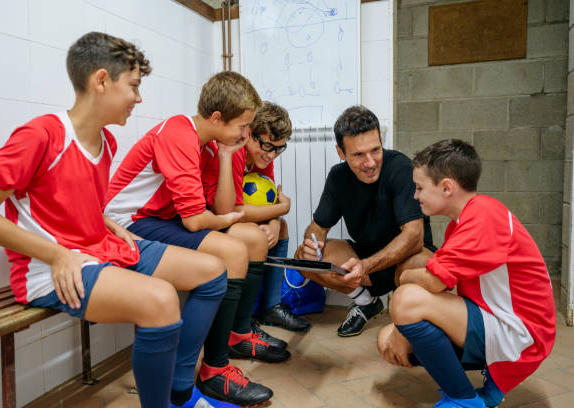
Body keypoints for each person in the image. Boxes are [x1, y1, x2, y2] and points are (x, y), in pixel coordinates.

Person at [0, 32, 229, 408]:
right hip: (47, 270)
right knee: (160, 300)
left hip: (99, 247)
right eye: (134, 86)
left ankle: (180, 390)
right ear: (101, 81)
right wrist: (56, 256)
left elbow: (66, 200)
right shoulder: (42, 135)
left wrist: (108, 223)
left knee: (212, 272)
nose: (139, 98)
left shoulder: (107, 141)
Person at [104, 72, 278, 407]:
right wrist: (226, 220)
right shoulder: (178, 133)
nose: (246, 134)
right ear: (216, 118)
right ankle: (193, 379)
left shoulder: (210, 146)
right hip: (126, 223)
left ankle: (212, 368)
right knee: (228, 252)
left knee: (238, 249)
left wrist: (227, 156)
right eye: (243, 126)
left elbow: (220, 208)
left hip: (157, 220)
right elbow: (196, 219)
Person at [377, 139, 556, 408]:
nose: (415, 195)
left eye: (420, 187)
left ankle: (465, 401)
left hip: (521, 333)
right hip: (496, 320)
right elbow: (439, 284)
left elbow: (433, 283)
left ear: (447, 187)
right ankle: (493, 382)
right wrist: (403, 328)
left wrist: (402, 279)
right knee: (387, 337)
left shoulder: (484, 215)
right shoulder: (461, 223)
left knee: (404, 300)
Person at [295, 105, 434, 337]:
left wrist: (366, 266)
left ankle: (415, 323)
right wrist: (312, 244)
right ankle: (366, 302)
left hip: (406, 258)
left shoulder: (400, 167)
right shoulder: (338, 177)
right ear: (341, 153)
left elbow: (414, 236)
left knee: (423, 267)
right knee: (303, 260)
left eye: (375, 150)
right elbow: (318, 227)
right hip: (365, 259)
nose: (370, 162)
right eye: (358, 154)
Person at [202, 101, 310, 333]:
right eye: (266, 145)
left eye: (278, 149)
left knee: (281, 228)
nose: (271, 155)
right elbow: (232, 210)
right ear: (249, 134)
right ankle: (243, 320)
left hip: (229, 216)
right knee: (257, 235)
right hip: (210, 217)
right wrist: (281, 210)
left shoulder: (262, 160)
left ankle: (271, 306)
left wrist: (274, 222)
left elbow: (268, 202)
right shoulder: (237, 152)